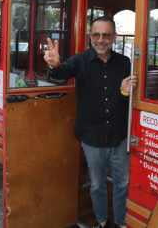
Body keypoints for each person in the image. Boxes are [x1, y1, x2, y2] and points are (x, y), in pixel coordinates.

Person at [44, 16, 135, 228]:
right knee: (97, 185)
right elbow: (60, 74)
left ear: (114, 37)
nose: (101, 40)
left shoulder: (125, 63)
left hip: (119, 136)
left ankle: (121, 222)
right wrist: (55, 65)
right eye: (96, 34)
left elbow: (127, 99)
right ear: (90, 36)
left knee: (122, 183)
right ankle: (102, 221)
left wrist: (125, 92)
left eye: (106, 35)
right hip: (91, 138)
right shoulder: (80, 61)